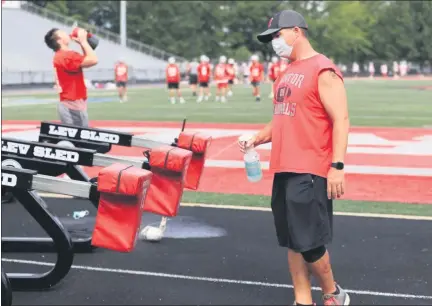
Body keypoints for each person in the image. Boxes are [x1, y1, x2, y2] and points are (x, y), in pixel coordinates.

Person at [239, 10, 350, 306]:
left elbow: (341, 119)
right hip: (283, 166)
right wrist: (256, 138)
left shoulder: (322, 69)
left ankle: (333, 293)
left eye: (277, 35)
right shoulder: (285, 73)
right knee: (292, 240)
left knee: (310, 242)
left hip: (311, 167)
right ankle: (302, 300)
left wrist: (337, 166)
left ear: (296, 32)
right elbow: (281, 119)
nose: (274, 42)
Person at [44, 27, 98, 127]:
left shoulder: (63, 55)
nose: (67, 33)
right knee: (80, 140)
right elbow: (93, 60)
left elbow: (87, 60)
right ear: (59, 40)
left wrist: (83, 43)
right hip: (73, 105)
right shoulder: (66, 56)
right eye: (63, 33)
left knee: (76, 139)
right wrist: (84, 42)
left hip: (71, 104)